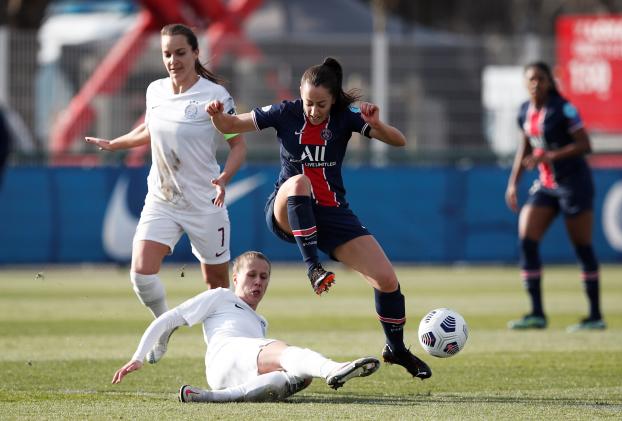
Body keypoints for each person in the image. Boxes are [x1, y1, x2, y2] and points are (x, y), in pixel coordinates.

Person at [205, 57, 431, 379]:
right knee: (299, 182)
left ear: (334, 99)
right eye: (309, 102)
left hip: (333, 214)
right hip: (287, 208)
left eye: (321, 104)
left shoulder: (345, 117)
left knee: (387, 280)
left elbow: (399, 141)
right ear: (300, 92)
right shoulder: (286, 112)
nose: (313, 110)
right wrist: (217, 116)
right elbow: (230, 126)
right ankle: (313, 267)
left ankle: (396, 348)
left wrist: (377, 124)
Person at [85, 23, 246, 361]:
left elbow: (238, 147)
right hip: (162, 199)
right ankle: (163, 326)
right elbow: (149, 128)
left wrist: (225, 178)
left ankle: (224, 351)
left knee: (216, 287)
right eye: (167, 54)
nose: (173, 60)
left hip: (205, 202)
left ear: (196, 53)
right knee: (141, 273)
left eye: (180, 52)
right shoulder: (155, 90)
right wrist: (115, 143)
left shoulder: (215, 95)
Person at [112, 251, 380, 402]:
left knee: (296, 377)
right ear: (235, 277)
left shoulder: (259, 322)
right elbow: (168, 318)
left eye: (264, 277)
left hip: (223, 376)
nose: (258, 282)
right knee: (284, 352)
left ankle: (211, 397)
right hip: (227, 353)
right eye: (251, 275)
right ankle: (333, 369)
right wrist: (137, 357)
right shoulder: (220, 296)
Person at [505, 61, 605, 332]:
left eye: (540, 78)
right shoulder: (525, 111)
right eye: (531, 79)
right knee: (526, 239)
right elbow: (524, 148)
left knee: (582, 247)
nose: (535, 83)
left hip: (574, 183)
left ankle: (595, 316)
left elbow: (585, 144)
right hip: (547, 185)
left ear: (549, 82)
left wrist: (550, 156)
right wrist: (513, 183)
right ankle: (537, 313)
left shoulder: (564, 109)